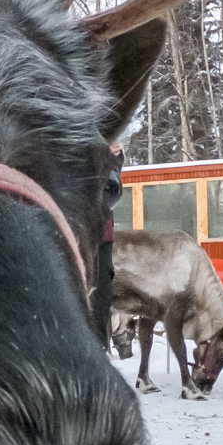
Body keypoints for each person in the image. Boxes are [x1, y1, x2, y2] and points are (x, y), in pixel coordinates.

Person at [92, 142, 125, 344]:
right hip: (72, 230)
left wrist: (115, 153)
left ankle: (100, 352)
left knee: (101, 298)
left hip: (102, 233)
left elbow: (113, 178)